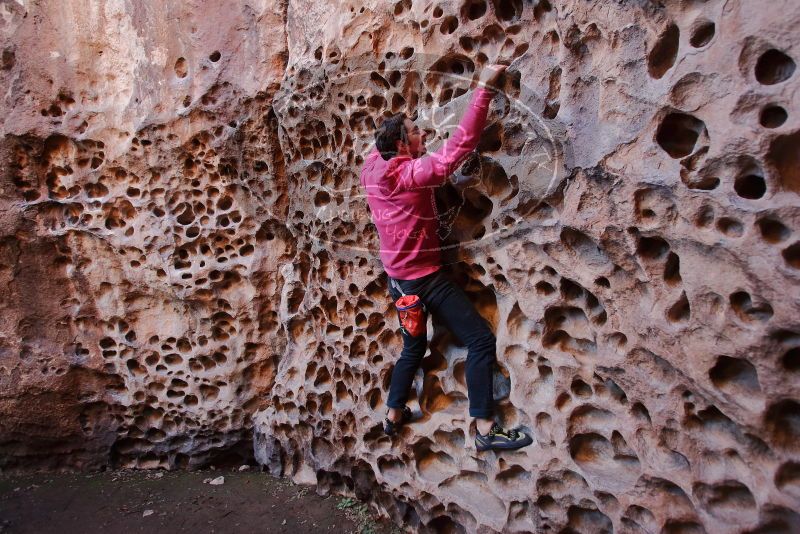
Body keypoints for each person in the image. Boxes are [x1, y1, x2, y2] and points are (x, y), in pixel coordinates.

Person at [359, 64, 533, 452]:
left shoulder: (371, 168)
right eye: (416, 130)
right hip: (427, 282)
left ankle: (392, 416)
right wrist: (483, 88)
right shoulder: (412, 174)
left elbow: (386, 148)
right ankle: (486, 429)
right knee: (480, 339)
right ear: (403, 145)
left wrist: (439, 173)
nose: (423, 132)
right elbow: (461, 145)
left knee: (413, 347)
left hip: (399, 284)